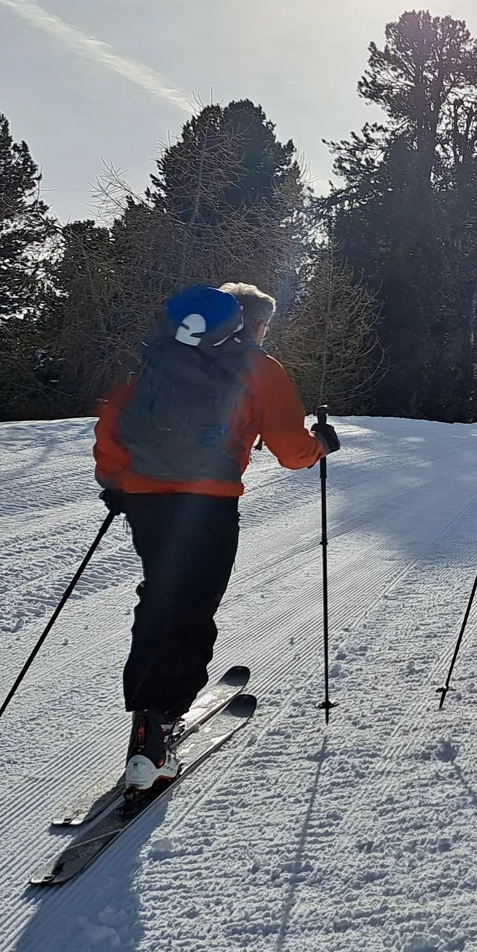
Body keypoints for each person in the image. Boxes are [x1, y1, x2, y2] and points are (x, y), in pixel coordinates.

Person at [95, 283, 336, 789]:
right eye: (264, 324)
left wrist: (117, 481)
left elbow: (114, 418)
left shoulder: (158, 355)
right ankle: (157, 734)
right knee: (190, 607)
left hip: (145, 500)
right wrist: (319, 445)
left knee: (160, 596)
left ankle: (146, 715)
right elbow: (291, 449)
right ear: (252, 324)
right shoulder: (257, 367)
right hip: (208, 503)